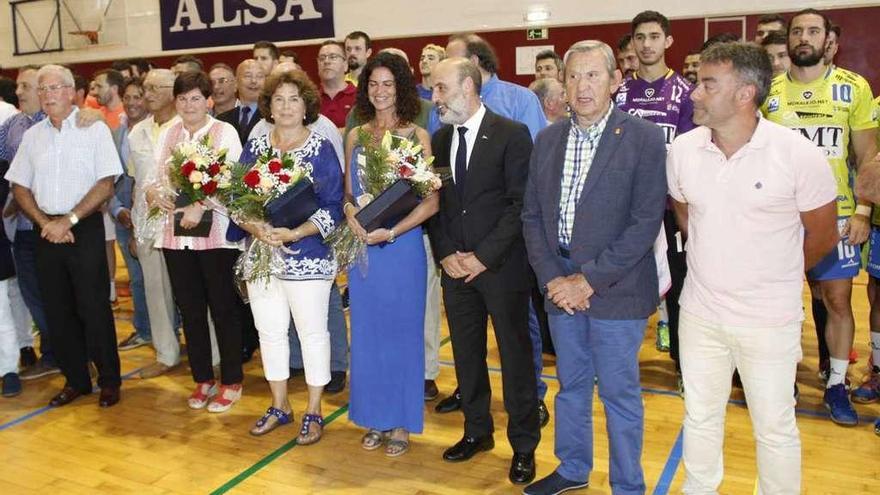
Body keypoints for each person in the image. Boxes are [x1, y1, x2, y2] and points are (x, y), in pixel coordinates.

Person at [669, 41, 838, 495]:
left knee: (775, 428)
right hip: (700, 315)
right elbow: (685, 212)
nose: (694, 94)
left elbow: (823, 234)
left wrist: (773, 274)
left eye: (707, 84)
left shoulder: (796, 154)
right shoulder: (683, 150)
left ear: (744, 93)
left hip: (769, 320)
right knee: (700, 417)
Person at [521, 40, 667, 495]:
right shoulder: (547, 139)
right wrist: (553, 278)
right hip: (559, 284)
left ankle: (627, 485)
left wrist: (588, 280)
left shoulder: (641, 138)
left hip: (615, 288)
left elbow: (646, 221)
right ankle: (572, 469)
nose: (582, 86)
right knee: (571, 385)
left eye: (593, 75)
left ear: (614, 81)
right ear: (561, 84)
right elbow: (531, 216)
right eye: (573, 76)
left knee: (620, 395)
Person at [762, 8, 878, 426]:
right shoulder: (769, 92)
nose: (804, 37)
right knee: (779, 303)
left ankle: (836, 384)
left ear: (829, 40)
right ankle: (781, 379)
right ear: (789, 39)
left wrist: (864, 210)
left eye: (813, 30)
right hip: (779, 219)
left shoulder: (853, 87)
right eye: (797, 31)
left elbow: (867, 156)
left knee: (837, 301)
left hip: (837, 214)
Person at [429, 57, 539, 484]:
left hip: (501, 269)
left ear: (469, 88)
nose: (434, 97)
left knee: (515, 359)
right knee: (467, 357)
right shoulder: (439, 140)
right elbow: (435, 206)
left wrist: (482, 257)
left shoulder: (512, 135)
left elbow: (520, 205)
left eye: (441, 89)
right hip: (455, 270)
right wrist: (445, 253)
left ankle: (524, 445)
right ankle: (477, 431)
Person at [6, 64, 123, 408]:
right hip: (46, 230)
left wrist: (68, 220)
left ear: (72, 92)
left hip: (83, 227)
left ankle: (110, 381)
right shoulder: (33, 136)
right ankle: (76, 380)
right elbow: (19, 185)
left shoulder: (94, 129)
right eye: (42, 90)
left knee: (94, 308)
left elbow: (106, 183)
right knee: (57, 312)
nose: (47, 95)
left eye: (54, 88)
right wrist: (45, 222)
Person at [235, 70, 343, 443]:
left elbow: (334, 208)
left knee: (313, 334)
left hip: (308, 255)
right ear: (269, 105)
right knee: (270, 333)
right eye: (278, 99)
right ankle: (280, 405)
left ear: (306, 105)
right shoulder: (256, 148)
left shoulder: (321, 149)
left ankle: (314, 410)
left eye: (293, 99)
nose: (285, 106)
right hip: (263, 255)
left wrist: (296, 232)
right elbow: (237, 201)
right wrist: (257, 229)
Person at [344, 52, 438, 457]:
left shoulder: (417, 136)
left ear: (401, 87)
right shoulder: (355, 136)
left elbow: (431, 202)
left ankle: (400, 422)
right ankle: (373, 418)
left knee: (401, 336)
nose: (380, 92)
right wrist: (351, 217)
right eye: (373, 84)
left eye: (388, 83)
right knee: (366, 337)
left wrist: (393, 230)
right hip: (363, 248)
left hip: (401, 249)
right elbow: (348, 195)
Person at [146, 71, 245, 413]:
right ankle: (202, 378)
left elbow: (231, 182)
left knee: (222, 308)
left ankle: (231, 380)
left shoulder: (224, 132)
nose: (189, 105)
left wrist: (200, 204)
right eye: (183, 98)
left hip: (215, 235)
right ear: (176, 102)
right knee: (189, 309)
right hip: (176, 236)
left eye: (195, 98)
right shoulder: (168, 134)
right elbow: (154, 177)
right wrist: (152, 193)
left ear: (209, 101)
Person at [616, 9, 695, 382]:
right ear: (632, 43)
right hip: (625, 211)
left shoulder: (685, 94)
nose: (646, 44)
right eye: (640, 38)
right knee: (622, 286)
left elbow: (690, 157)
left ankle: (684, 365)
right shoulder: (618, 95)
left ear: (668, 41)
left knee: (680, 289)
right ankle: (618, 363)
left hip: (669, 209)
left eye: (653, 36)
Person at [0, 66, 59, 381]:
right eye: (19, 86)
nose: (18, 92)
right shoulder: (11, 125)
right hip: (22, 228)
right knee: (32, 294)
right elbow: (5, 169)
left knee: (58, 293)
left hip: (54, 225)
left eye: (25, 86)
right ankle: (52, 352)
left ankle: (68, 351)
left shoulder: (60, 124)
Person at [129, 69, 188, 379]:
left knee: (193, 291)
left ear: (173, 90)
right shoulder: (136, 132)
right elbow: (134, 182)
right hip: (147, 222)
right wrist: (131, 226)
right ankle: (167, 353)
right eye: (145, 87)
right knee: (155, 290)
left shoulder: (188, 125)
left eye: (155, 87)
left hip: (185, 221)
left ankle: (212, 352)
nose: (147, 93)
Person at [112, 78, 152, 352]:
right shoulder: (115, 134)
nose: (132, 102)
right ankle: (144, 330)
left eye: (138, 96)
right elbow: (105, 178)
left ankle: (167, 329)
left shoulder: (155, 132)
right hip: (122, 213)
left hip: (150, 211)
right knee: (137, 278)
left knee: (155, 277)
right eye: (128, 97)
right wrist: (117, 209)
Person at [217, 59, 265, 146]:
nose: (254, 81)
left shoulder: (272, 118)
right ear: (236, 82)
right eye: (248, 76)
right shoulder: (222, 120)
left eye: (259, 76)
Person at [317, 40, 357, 128]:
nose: (326, 61)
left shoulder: (360, 96)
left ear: (345, 65)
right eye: (322, 58)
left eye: (333, 57)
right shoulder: (311, 100)